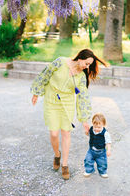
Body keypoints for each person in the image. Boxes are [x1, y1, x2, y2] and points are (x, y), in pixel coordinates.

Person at [31, 49, 107, 180]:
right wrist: (36, 92)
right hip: (52, 100)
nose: (87, 67)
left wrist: (84, 120)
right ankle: (57, 154)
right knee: (54, 133)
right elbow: (45, 74)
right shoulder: (60, 62)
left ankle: (65, 165)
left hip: (67, 103)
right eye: (86, 63)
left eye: (89, 65)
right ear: (80, 58)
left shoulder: (81, 76)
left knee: (66, 133)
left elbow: (83, 97)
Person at [84, 113, 111, 178]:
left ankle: (102, 172)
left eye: (99, 127)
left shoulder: (105, 133)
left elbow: (108, 142)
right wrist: (87, 132)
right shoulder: (91, 129)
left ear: (103, 125)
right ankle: (89, 170)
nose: (96, 129)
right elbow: (89, 135)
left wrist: (109, 150)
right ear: (93, 124)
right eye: (95, 126)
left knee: (102, 163)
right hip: (91, 150)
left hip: (101, 152)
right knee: (88, 160)